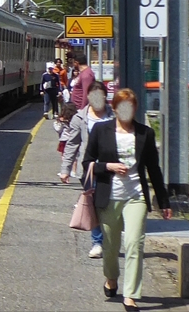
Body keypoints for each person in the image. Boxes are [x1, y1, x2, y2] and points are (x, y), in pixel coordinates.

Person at [83, 88, 171, 310]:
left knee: (134, 243)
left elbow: (153, 168)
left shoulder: (144, 134)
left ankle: (130, 294)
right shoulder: (101, 131)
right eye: (122, 107)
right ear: (113, 108)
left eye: (130, 108)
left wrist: (164, 200)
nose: (126, 112)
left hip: (136, 196)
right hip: (109, 195)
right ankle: (111, 278)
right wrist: (108, 166)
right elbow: (87, 163)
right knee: (110, 247)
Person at [61, 81, 111, 258]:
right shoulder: (80, 118)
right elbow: (72, 144)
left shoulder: (114, 115)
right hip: (90, 168)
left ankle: (111, 239)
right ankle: (97, 243)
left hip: (112, 168)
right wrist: (65, 169)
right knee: (95, 206)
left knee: (111, 205)